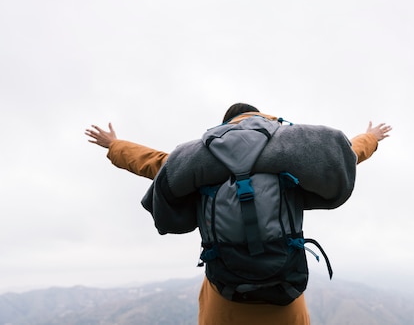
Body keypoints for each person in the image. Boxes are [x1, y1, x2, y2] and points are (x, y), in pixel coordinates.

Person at [85, 103, 391, 325]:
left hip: (224, 295)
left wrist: (115, 145)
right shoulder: (291, 155)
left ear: (225, 125)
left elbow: (155, 163)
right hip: (284, 291)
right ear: (261, 117)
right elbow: (345, 155)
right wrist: (371, 138)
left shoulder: (203, 160)